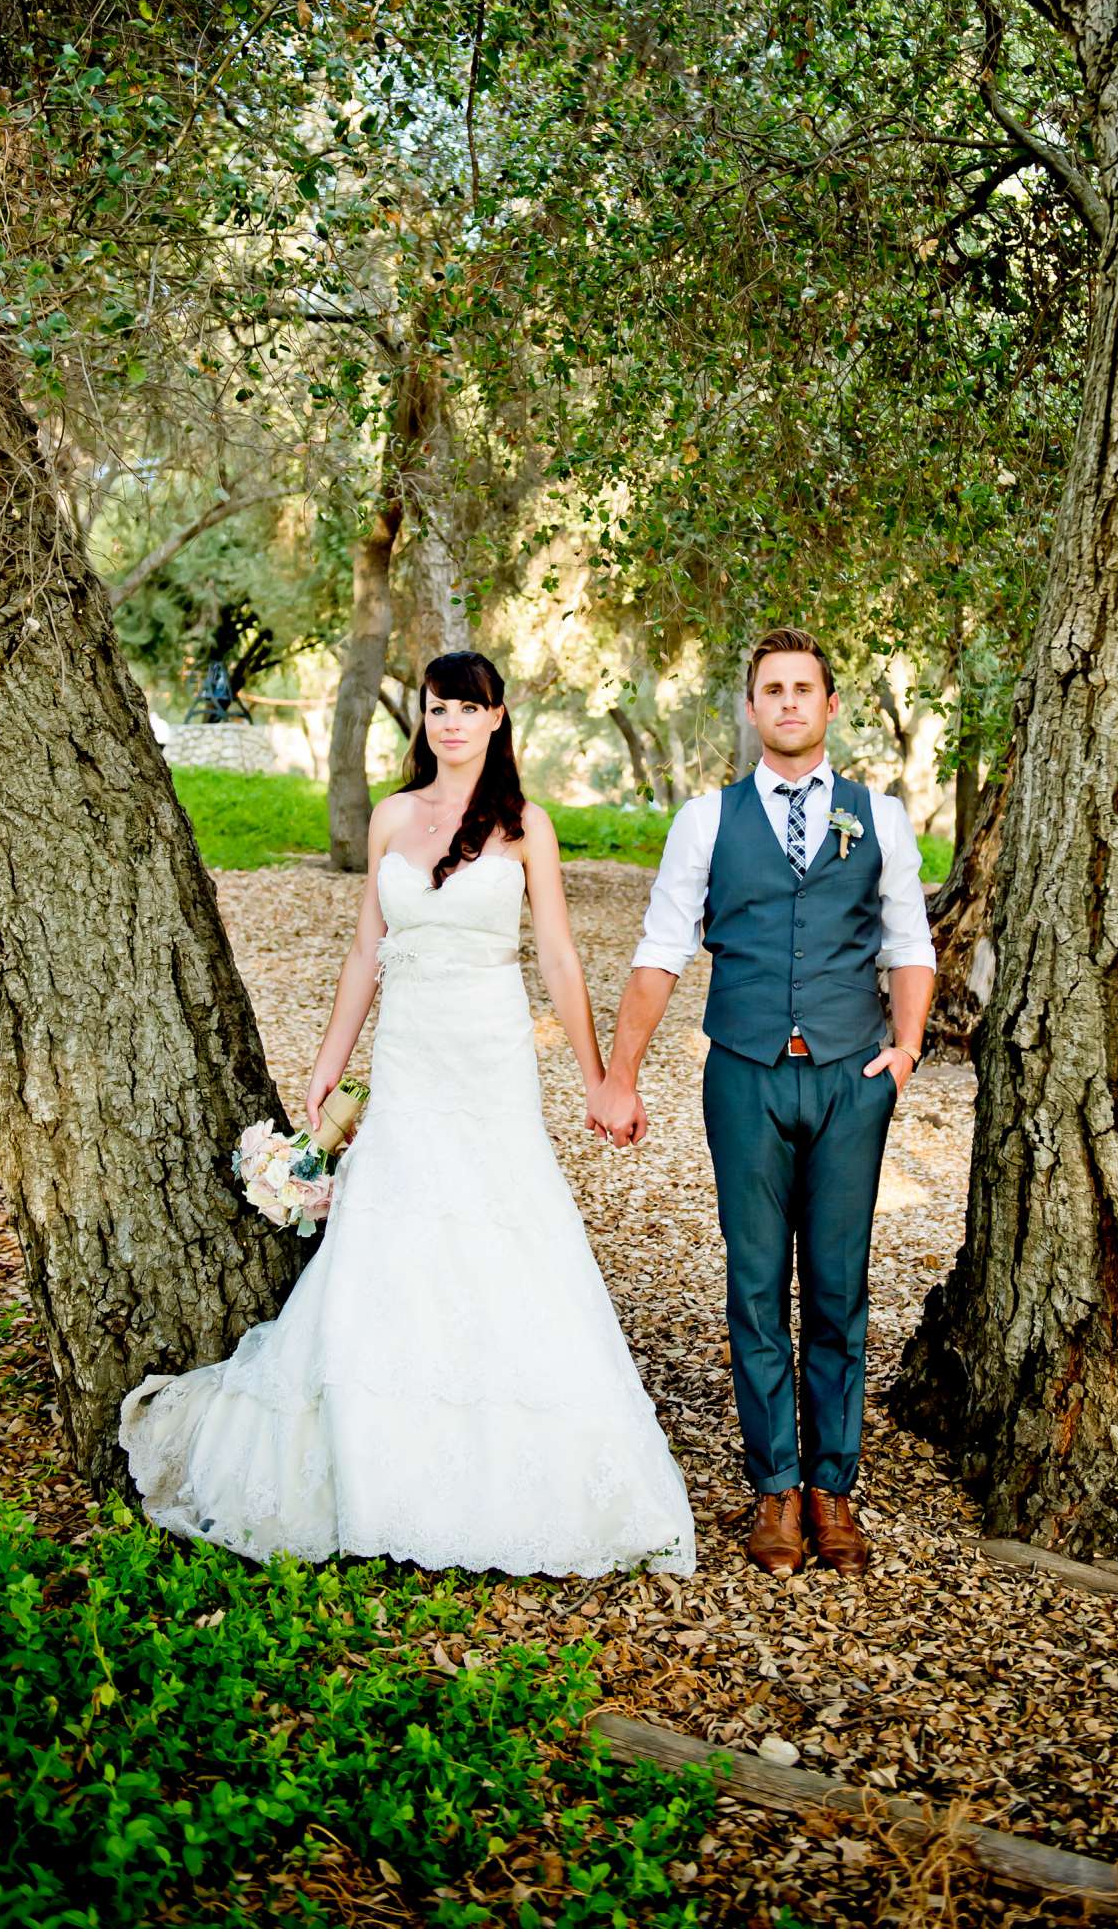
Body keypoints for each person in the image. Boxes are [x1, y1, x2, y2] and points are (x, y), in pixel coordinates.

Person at [120, 651, 695, 1578]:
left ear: (498, 718)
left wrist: (595, 1076)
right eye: (438, 708)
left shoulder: (524, 828)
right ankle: (376, 1456)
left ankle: (504, 1466)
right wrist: (325, 1068)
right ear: (422, 719)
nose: (451, 723)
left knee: (496, 1226)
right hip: (410, 1052)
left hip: (489, 1052)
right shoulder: (392, 816)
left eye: (469, 708)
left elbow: (554, 956)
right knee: (394, 1230)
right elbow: (363, 954)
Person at [590, 629, 935, 1579]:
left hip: (848, 1079)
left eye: (803, 689)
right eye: (771, 690)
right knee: (753, 1286)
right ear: (750, 709)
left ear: (829, 708)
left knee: (836, 1286)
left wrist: (903, 1054)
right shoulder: (705, 820)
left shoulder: (882, 817)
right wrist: (620, 1074)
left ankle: (833, 1487)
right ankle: (773, 1487)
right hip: (741, 1074)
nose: (787, 703)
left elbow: (907, 943)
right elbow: (661, 951)